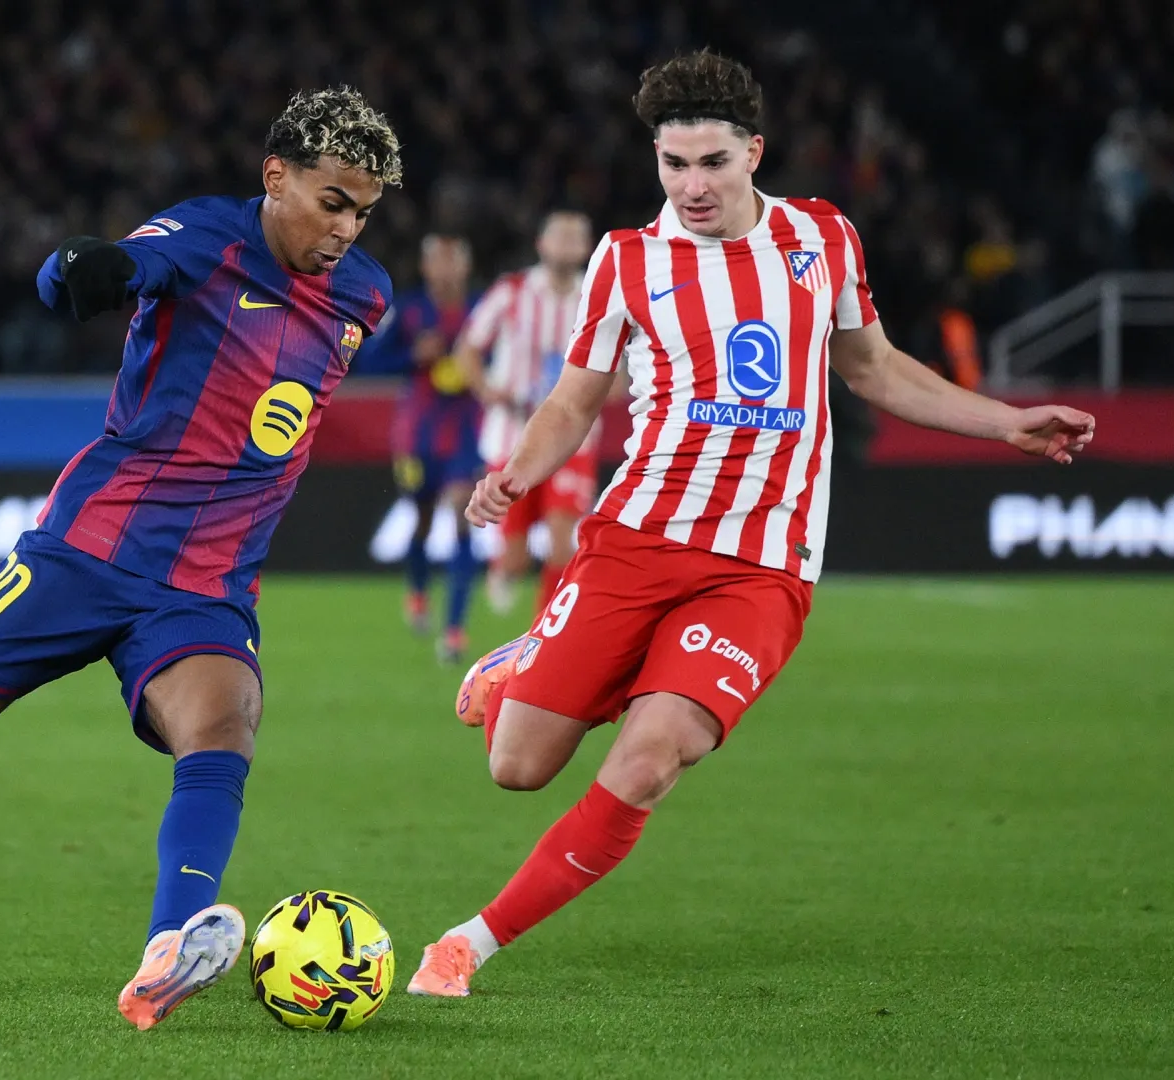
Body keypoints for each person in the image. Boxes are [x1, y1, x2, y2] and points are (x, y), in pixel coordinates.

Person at [407, 50, 1094, 998]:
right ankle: (532, 658)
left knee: (651, 759)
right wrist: (517, 474)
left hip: (761, 568)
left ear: (754, 153)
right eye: (673, 164)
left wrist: (1004, 421)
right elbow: (573, 400)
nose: (692, 186)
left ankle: (469, 944)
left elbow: (874, 368)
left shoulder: (823, 237)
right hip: (636, 539)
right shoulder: (626, 260)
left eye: (713, 163)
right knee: (517, 766)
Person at [0, 87, 400, 1030]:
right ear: (276, 178)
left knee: (223, 729)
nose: (345, 229)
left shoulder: (364, 296)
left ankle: (169, 948)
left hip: (205, 584)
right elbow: (117, 268)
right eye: (332, 202)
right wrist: (82, 272)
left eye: (364, 213)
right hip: (85, 551)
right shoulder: (204, 239)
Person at [454, 210, 600, 616]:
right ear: (541, 244)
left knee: (562, 542)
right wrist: (489, 391)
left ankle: (543, 632)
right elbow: (467, 348)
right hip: (511, 436)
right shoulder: (512, 291)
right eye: (560, 236)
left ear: (587, 248)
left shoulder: (598, 296)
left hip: (573, 440)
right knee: (515, 556)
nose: (567, 244)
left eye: (575, 237)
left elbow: (620, 371)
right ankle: (504, 569)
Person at [380, 234, 484, 663]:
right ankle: (418, 590)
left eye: (452, 260)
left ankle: (455, 630)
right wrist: (413, 355)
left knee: (462, 513)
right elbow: (370, 360)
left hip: (467, 431)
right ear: (425, 268)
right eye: (438, 261)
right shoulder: (407, 310)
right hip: (417, 435)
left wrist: (481, 367)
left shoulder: (483, 308)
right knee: (422, 519)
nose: (445, 269)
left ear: (466, 266)